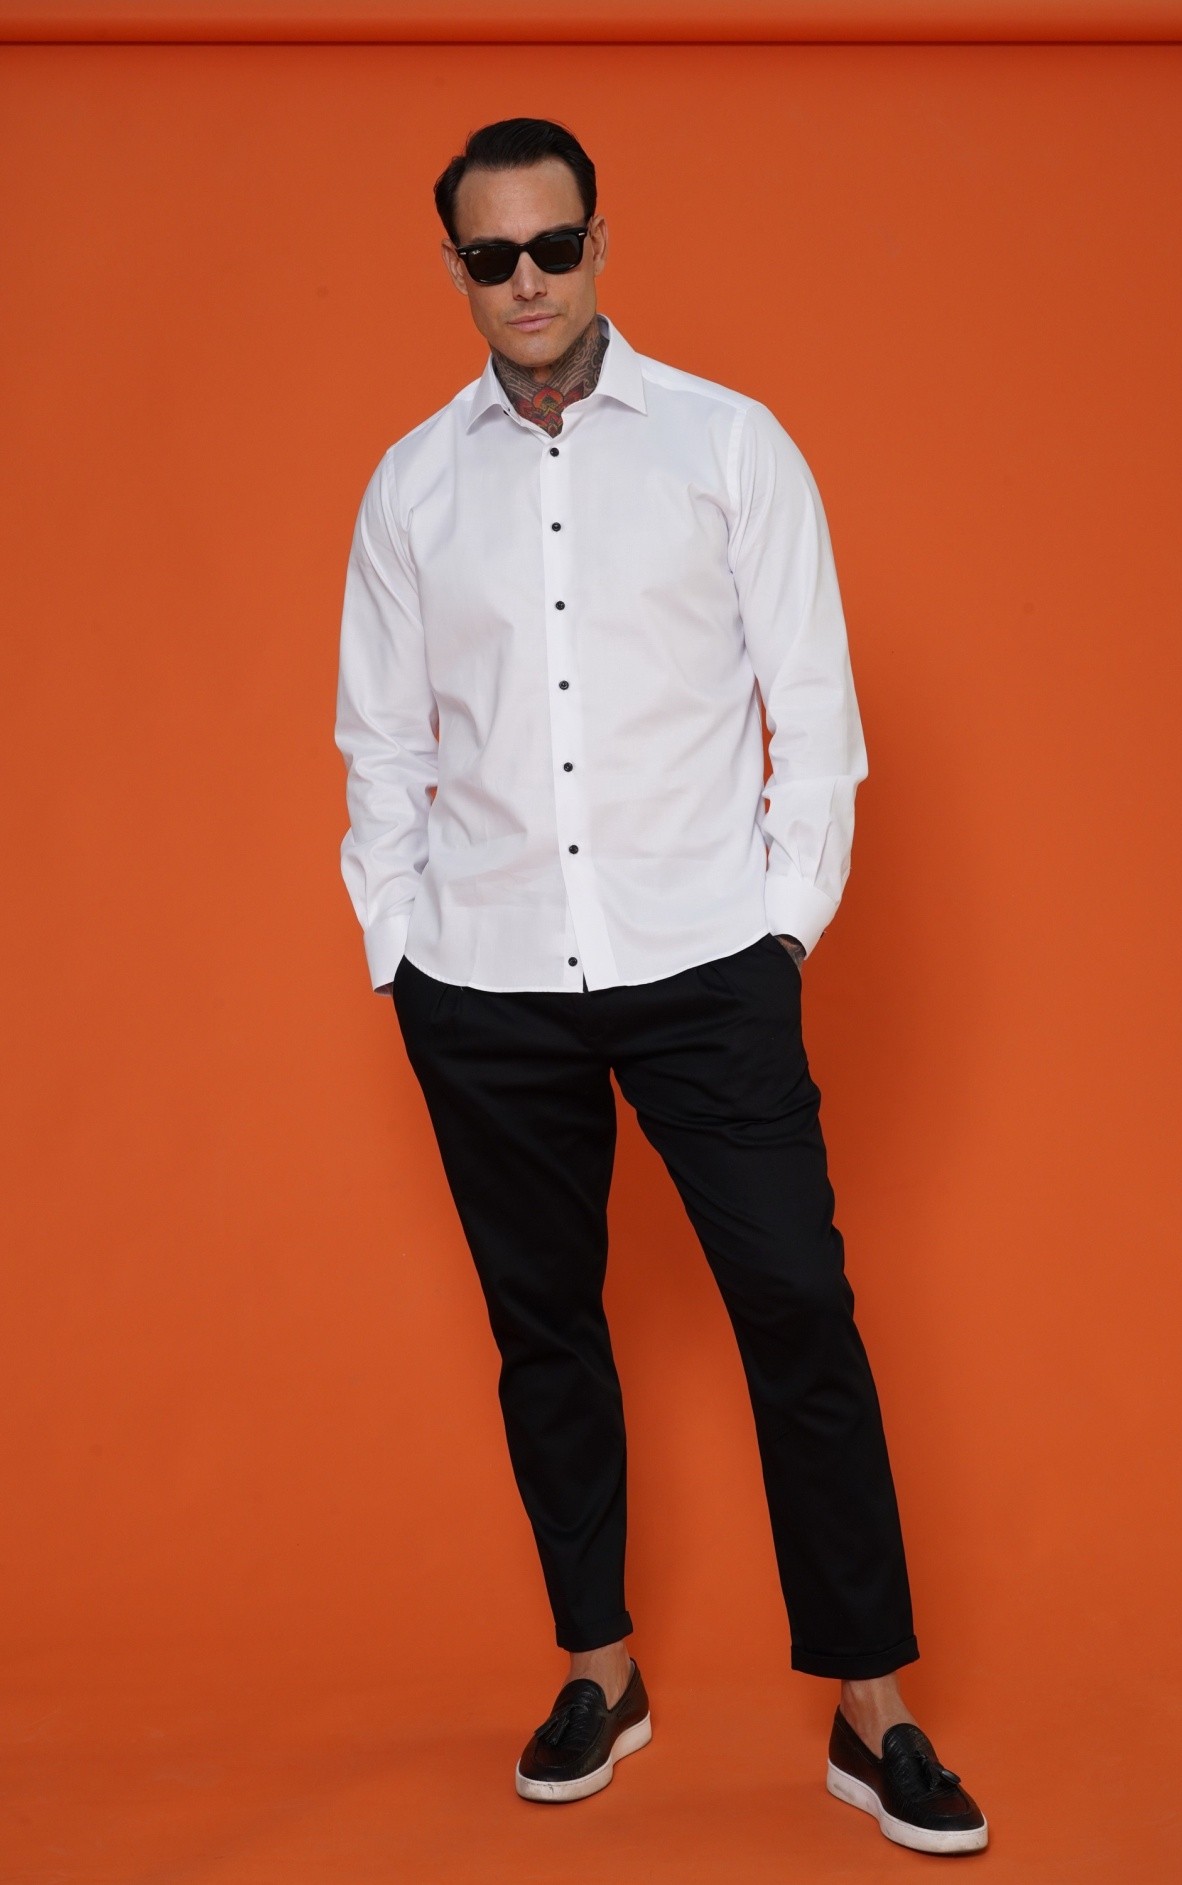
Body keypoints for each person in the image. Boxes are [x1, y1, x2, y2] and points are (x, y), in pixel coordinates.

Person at [334, 116, 987, 1856]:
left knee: (799, 1307)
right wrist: (398, 947)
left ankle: (871, 1707)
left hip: (707, 969)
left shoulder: (727, 444)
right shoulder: (412, 486)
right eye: (493, 257)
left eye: (554, 246)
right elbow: (381, 743)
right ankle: (599, 1670)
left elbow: (813, 712)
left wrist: (780, 932)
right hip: (483, 982)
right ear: (457, 269)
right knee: (545, 1330)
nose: (528, 282)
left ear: (600, 243)